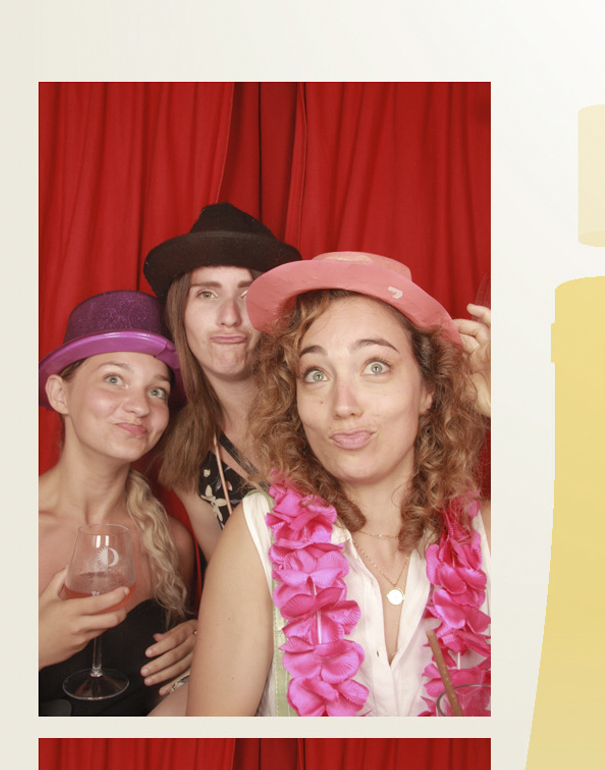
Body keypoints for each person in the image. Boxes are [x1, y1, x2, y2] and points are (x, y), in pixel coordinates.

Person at [184, 250, 492, 717]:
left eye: (375, 366)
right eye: (316, 374)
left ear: (428, 389)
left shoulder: (492, 535)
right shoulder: (257, 534)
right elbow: (211, 745)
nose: (343, 404)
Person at [38, 292, 197, 716]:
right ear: (60, 394)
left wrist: (204, 645)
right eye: (113, 379)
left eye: (157, 391)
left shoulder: (171, 542)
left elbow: (162, 695)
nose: (140, 406)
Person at [143, 202, 301, 564]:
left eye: (249, 295)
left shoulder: (321, 408)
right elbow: (226, 585)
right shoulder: (188, 454)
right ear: (179, 314)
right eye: (207, 294)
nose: (229, 317)